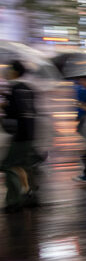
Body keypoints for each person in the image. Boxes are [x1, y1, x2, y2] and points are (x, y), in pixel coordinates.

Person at [1, 61, 43, 213]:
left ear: (15, 72)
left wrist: (4, 106)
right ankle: (31, 198)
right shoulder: (28, 89)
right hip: (31, 134)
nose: (7, 71)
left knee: (10, 166)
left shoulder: (14, 89)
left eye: (9, 69)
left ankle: (14, 201)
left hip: (19, 134)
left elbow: (13, 113)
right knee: (26, 166)